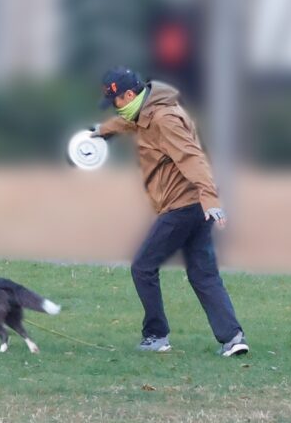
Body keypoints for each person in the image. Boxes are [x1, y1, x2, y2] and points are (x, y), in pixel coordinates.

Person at [92, 66, 248, 357]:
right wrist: (102, 132)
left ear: (129, 94)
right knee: (203, 274)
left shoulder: (165, 118)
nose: (115, 107)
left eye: (116, 102)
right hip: (194, 207)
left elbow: (192, 157)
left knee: (143, 266)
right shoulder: (148, 110)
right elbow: (130, 123)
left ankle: (156, 335)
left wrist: (210, 199)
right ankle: (233, 338)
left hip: (183, 206)